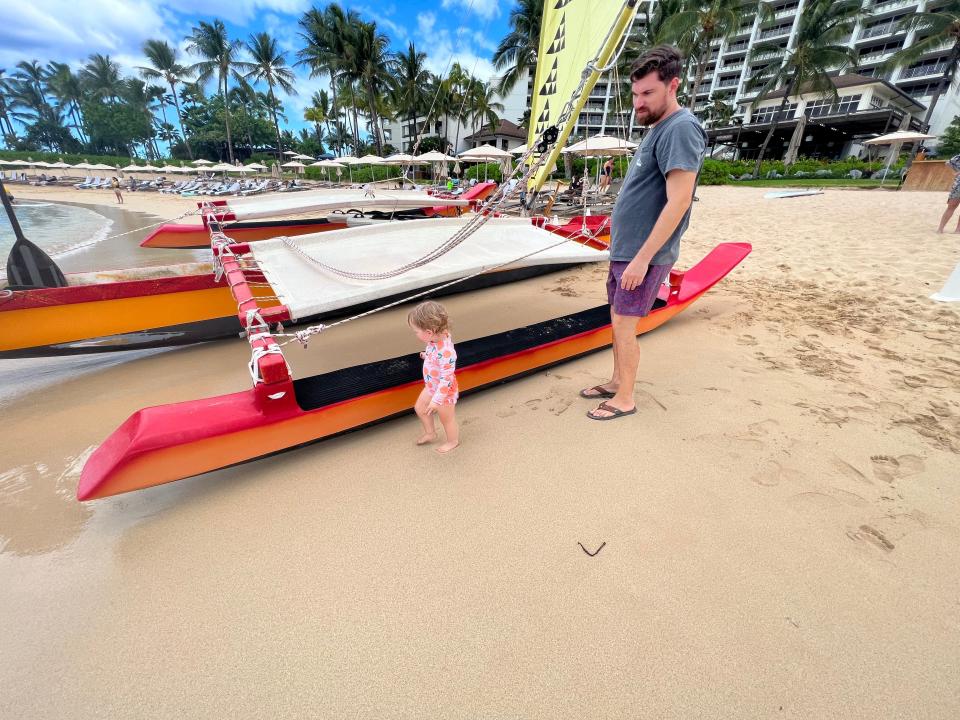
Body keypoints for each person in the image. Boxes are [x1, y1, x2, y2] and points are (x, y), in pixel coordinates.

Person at [580, 44, 707, 420]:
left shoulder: (681, 128)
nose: (639, 102)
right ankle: (617, 380)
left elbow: (679, 200)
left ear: (673, 86)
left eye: (648, 93)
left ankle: (626, 398)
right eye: (635, 94)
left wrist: (642, 258)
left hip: (642, 255)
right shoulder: (657, 128)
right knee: (617, 319)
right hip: (627, 250)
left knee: (624, 323)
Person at [408, 301, 460, 453]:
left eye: (416, 331)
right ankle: (431, 433)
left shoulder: (447, 352)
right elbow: (436, 355)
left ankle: (452, 441)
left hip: (445, 392)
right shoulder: (435, 339)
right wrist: (428, 356)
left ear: (429, 332)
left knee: (446, 419)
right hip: (431, 386)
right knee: (419, 408)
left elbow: (447, 378)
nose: (415, 334)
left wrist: (437, 401)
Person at [937, 154, 960, 233]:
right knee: (951, 207)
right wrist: (955, 172)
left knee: (951, 207)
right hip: (957, 186)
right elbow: (947, 163)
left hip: (957, 186)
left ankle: (958, 230)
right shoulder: (958, 157)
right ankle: (940, 229)